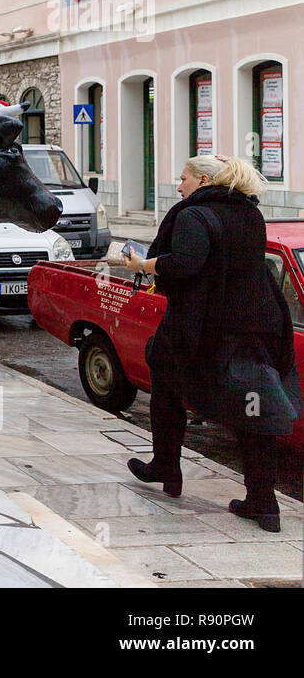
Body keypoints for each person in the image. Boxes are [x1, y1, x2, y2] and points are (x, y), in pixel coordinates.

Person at [122, 153, 302, 532]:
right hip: (259, 324)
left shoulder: (192, 215)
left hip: (205, 326)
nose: (179, 184)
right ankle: (263, 503)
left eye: (184, 177)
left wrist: (142, 265)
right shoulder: (250, 213)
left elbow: (185, 264)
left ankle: (166, 465)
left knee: (166, 384)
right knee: (257, 412)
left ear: (204, 180)